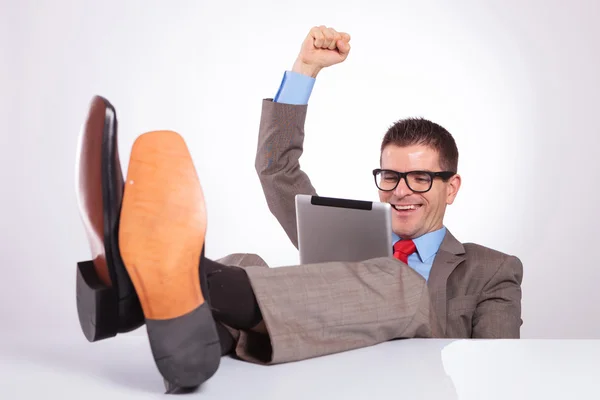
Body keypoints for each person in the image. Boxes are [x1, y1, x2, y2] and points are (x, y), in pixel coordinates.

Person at [74, 26, 522, 394]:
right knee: (248, 263)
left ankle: (148, 289)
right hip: (318, 377)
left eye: (421, 178)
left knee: (400, 284)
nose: (401, 191)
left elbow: (496, 376)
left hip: (405, 388)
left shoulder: (493, 269)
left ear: (452, 187)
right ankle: (186, 337)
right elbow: (277, 171)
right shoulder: (348, 234)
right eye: (390, 176)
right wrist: (305, 69)